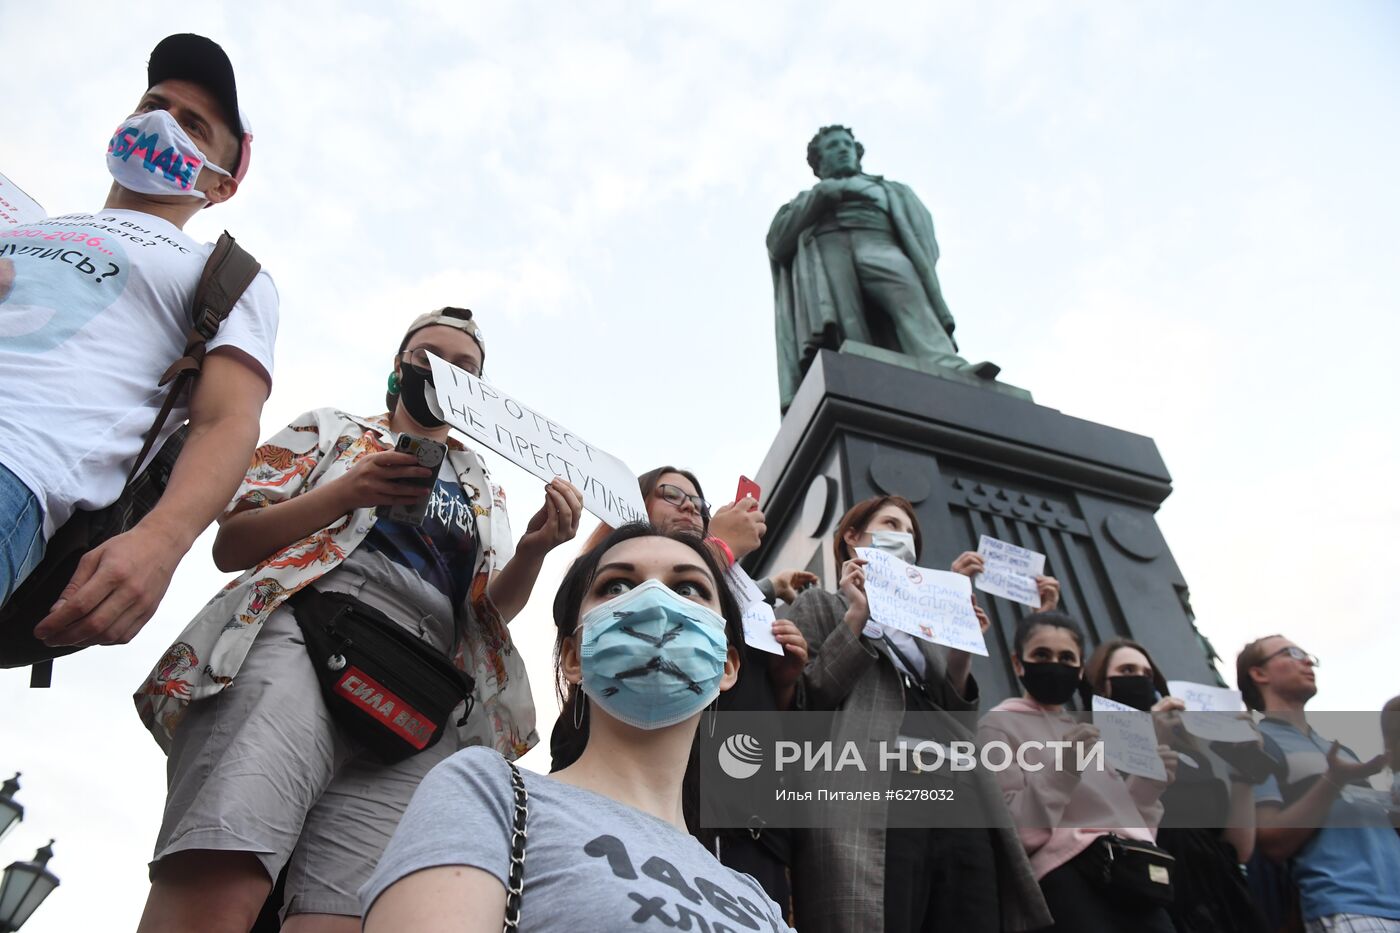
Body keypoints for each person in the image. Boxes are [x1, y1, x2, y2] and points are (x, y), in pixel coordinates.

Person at [131, 309, 582, 933]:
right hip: (304, 637)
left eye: (465, 367)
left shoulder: (485, 489)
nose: (443, 369)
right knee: (225, 862)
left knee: (351, 911)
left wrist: (533, 548)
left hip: (421, 688)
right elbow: (231, 544)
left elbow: (488, 614)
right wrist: (347, 493)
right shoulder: (331, 428)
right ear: (398, 370)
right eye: (427, 353)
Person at [360, 523, 796, 932]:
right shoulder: (487, 790)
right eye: (618, 586)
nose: (654, 604)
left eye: (688, 588)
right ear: (573, 658)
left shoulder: (761, 904)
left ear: (727, 665)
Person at [0, 33, 278, 649]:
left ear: (221, 185)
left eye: (193, 125)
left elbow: (226, 422)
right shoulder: (29, 226)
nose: (160, 122)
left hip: (14, 466)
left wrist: (161, 542)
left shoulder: (224, 274)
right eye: (152, 103)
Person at [788, 494, 1052, 933]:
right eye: (891, 524)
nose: (904, 536)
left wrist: (961, 646)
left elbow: (959, 717)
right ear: (852, 537)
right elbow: (806, 697)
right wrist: (857, 616)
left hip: (959, 792)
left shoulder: (923, 624)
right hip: (880, 786)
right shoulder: (821, 605)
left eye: (910, 532)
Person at [551, 465, 810, 910]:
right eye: (672, 493)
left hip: (750, 825)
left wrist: (785, 683)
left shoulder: (744, 601)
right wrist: (721, 547)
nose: (691, 505)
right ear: (574, 656)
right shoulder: (519, 808)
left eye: (691, 589)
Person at [767, 124, 998, 412]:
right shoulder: (803, 200)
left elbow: (920, 234)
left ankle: (946, 364)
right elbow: (777, 243)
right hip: (829, 249)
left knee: (910, 299)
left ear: (857, 153)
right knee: (847, 324)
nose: (842, 149)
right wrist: (821, 197)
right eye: (832, 146)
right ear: (819, 162)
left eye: (846, 144)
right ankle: (858, 380)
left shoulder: (890, 190)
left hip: (879, 243)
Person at [978, 612, 1179, 933]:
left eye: (1066, 657)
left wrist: (1149, 784)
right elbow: (1014, 832)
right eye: (1042, 655)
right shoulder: (997, 725)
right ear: (1018, 664)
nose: (1055, 664)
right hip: (1070, 883)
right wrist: (1064, 769)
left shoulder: (1086, 732)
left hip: (1134, 877)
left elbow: (1128, 823)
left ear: (1080, 669)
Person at [1085, 637, 1266, 933]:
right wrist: (1150, 741)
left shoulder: (1193, 755)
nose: (1141, 680)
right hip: (1161, 896)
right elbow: (1116, 823)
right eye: (1128, 672)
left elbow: (1237, 849)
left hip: (1225, 901)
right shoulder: (1095, 746)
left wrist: (1243, 771)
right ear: (1102, 686)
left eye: (1148, 675)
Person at [1240, 635, 1400, 932]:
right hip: (1349, 907)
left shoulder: (1339, 749)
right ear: (1259, 673)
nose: (1307, 660)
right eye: (1292, 653)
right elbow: (1272, 841)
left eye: (1308, 654)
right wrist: (1332, 780)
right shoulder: (1258, 744)